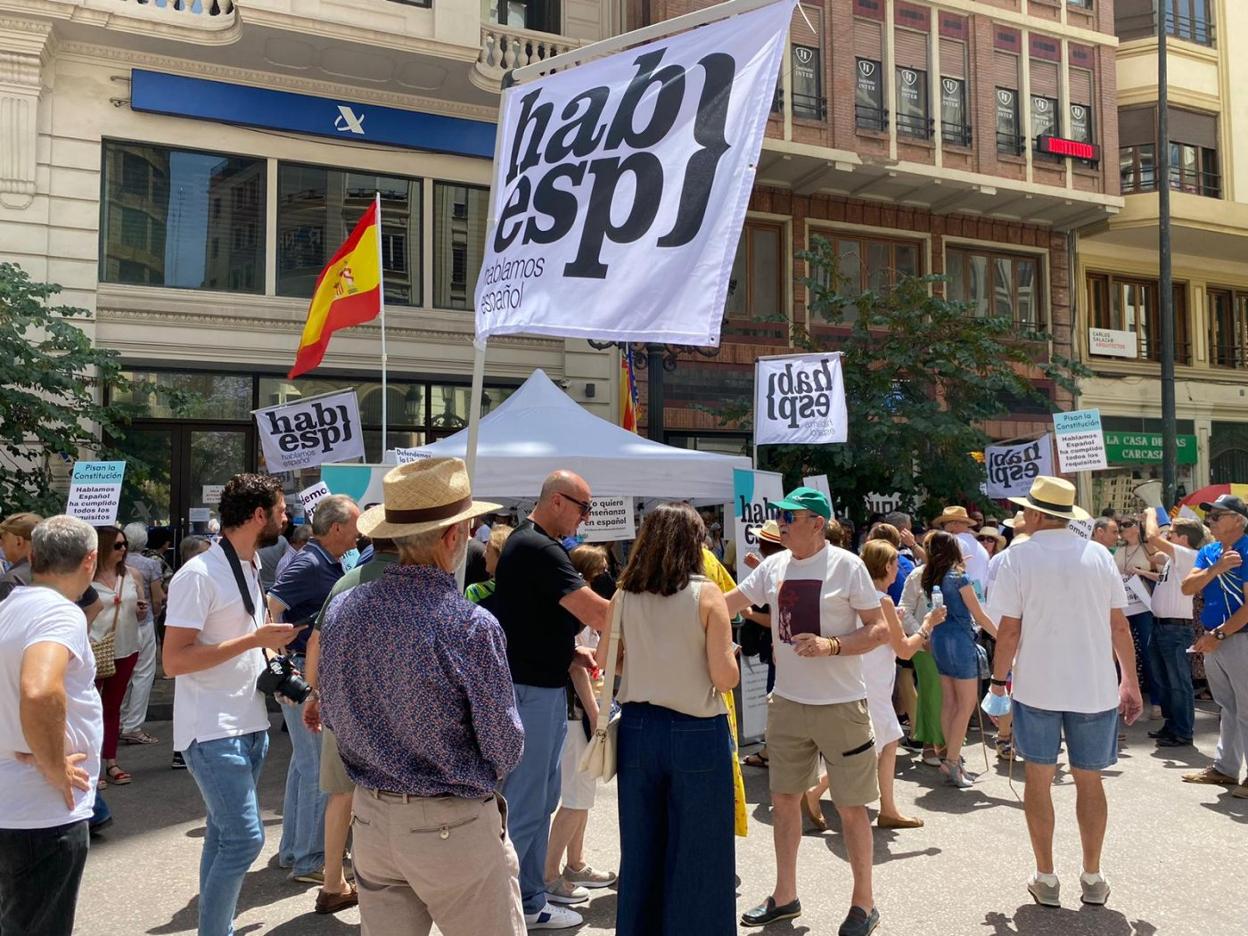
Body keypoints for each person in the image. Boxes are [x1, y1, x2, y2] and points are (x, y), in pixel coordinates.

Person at [318, 458, 527, 936]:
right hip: (450, 823)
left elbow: (332, 710)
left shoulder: (347, 607)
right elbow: (504, 746)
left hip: (372, 818)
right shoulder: (468, 625)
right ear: (453, 537)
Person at [725, 487, 887, 936]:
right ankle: (784, 896)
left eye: (790, 517)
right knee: (783, 802)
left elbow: (877, 630)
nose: (781, 522)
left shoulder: (848, 566)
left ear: (817, 523)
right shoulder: (775, 566)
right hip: (789, 704)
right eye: (781, 515)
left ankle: (864, 903)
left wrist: (832, 645)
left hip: (840, 705)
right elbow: (728, 604)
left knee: (852, 808)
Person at [990, 476, 1143, 908]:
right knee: (1089, 781)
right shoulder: (1098, 554)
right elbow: (1119, 625)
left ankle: (1046, 876)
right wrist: (1129, 679)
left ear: (1038, 514)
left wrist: (999, 681)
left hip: (1038, 686)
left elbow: (1009, 630)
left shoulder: (1019, 556)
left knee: (1039, 780)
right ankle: (1092, 876)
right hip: (1093, 687)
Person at [163, 473, 302, 936]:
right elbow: (173, 661)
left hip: (249, 723)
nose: (288, 516)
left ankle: (212, 928)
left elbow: (251, 642)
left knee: (223, 837)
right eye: (281, 509)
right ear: (259, 514)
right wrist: (254, 640)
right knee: (245, 839)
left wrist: (280, 665)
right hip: (210, 729)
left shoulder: (251, 564)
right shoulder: (198, 573)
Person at [601, 503, 738, 936]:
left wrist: (647, 665)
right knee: (699, 851)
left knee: (641, 847)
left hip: (639, 728)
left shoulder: (624, 594)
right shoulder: (706, 594)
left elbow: (609, 662)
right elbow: (724, 677)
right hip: (697, 729)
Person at [491, 470, 610, 930]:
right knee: (529, 802)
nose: (586, 517)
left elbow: (534, 618)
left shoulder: (531, 543)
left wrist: (568, 650)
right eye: (584, 507)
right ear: (557, 501)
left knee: (541, 797)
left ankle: (530, 895)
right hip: (532, 690)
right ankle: (522, 903)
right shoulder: (539, 547)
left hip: (539, 685)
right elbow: (596, 611)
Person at [0, 515, 102, 934]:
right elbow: (40, 691)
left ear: (33, 555)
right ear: (90, 561)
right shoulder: (60, 614)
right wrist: (53, 762)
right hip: (42, 814)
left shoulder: (10, 606)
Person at [808, 540, 945, 831]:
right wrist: (928, 623)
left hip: (860, 680)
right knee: (871, 748)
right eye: (896, 564)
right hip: (874, 685)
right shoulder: (881, 600)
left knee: (880, 744)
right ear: (886, 566)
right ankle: (818, 793)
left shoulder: (854, 595)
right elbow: (906, 650)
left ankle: (887, 808)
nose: (899, 569)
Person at [300, 533, 399, 916]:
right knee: (389, 796)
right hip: (392, 708)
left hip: (342, 703)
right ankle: (381, 885)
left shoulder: (347, 580)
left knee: (340, 795)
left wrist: (314, 694)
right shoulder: (413, 578)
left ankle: (331, 883)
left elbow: (315, 643)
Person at [267, 493, 360, 886]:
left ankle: (293, 850)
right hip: (305, 677)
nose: (360, 534)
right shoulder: (309, 561)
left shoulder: (324, 560)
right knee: (315, 772)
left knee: (303, 768)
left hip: (306, 675)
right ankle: (308, 860)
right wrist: (283, 661)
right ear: (337, 527)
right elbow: (270, 604)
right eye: (355, 526)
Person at [542, 545, 618, 908]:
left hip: (585, 711)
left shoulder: (584, 606)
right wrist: (594, 713)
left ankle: (574, 864)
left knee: (582, 797)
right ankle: (549, 875)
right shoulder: (575, 610)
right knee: (575, 798)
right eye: (600, 566)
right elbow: (577, 666)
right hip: (577, 714)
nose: (606, 571)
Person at [1180, 494, 1248, 796]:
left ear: (1238, 520)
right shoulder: (1209, 552)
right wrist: (1216, 568)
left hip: (1238, 637)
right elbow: (1187, 587)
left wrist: (1219, 635)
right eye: (1210, 515)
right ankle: (1226, 768)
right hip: (1215, 639)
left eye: (1218, 515)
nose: (1210, 520)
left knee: (1245, 708)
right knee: (1228, 707)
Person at [921, 531, 997, 788]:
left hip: (940, 639)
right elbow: (980, 615)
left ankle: (948, 755)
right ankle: (953, 761)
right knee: (965, 705)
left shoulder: (931, 575)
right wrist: (1005, 639)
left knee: (949, 702)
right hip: (961, 641)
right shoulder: (959, 577)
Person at [1142, 512, 1206, 748]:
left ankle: (1182, 730)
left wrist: (1150, 513)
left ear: (1182, 538)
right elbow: (1153, 552)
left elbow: (1152, 538)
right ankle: (1172, 725)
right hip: (1163, 626)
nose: (1167, 536)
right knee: (1163, 680)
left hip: (1175, 629)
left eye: (1171, 534)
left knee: (1178, 681)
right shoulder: (1175, 557)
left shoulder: (1189, 555)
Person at [91, 525, 147, 788]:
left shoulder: (131, 575)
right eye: (117, 545)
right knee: (90, 710)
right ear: (103, 548)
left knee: (111, 708)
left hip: (126, 648)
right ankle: (92, 767)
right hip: (94, 648)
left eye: (124, 544)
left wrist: (140, 609)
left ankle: (111, 761)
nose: (123, 549)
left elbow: (142, 610)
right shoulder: (86, 577)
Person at [119, 521, 165, 747]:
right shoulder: (149, 565)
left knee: (122, 673)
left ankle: (118, 720)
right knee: (143, 674)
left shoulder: (115, 563)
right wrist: (156, 615)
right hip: (144, 623)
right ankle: (133, 726)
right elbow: (157, 598)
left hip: (119, 624)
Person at [1116, 513, 1162, 719]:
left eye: (1127, 525)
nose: (1122, 529)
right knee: (1121, 652)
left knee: (1148, 651)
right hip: (1124, 605)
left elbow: (1162, 574)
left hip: (1143, 605)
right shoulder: (1119, 550)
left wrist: (1141, 572)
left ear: (1138, 527)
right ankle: (1123, 697)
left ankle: (1157, 701)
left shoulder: (1148, 548)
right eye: (1120, 525)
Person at [932, 505, 990, 593]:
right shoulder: (977, 544)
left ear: (955, 523)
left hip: (961, 597)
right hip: (978, 596)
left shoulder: (954, 541)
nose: (943, 529)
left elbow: (939, 567)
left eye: (944, 524)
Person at [465, 523, 515, 612]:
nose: (484, 555)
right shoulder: (524, 590)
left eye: (487, 550)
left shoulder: (474, 592)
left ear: (500, 556)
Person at [0, 512, 41, 601]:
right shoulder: (56, 572)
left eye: (3, 539)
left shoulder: (13, 579)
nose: (1, 544)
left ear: (19, 541)